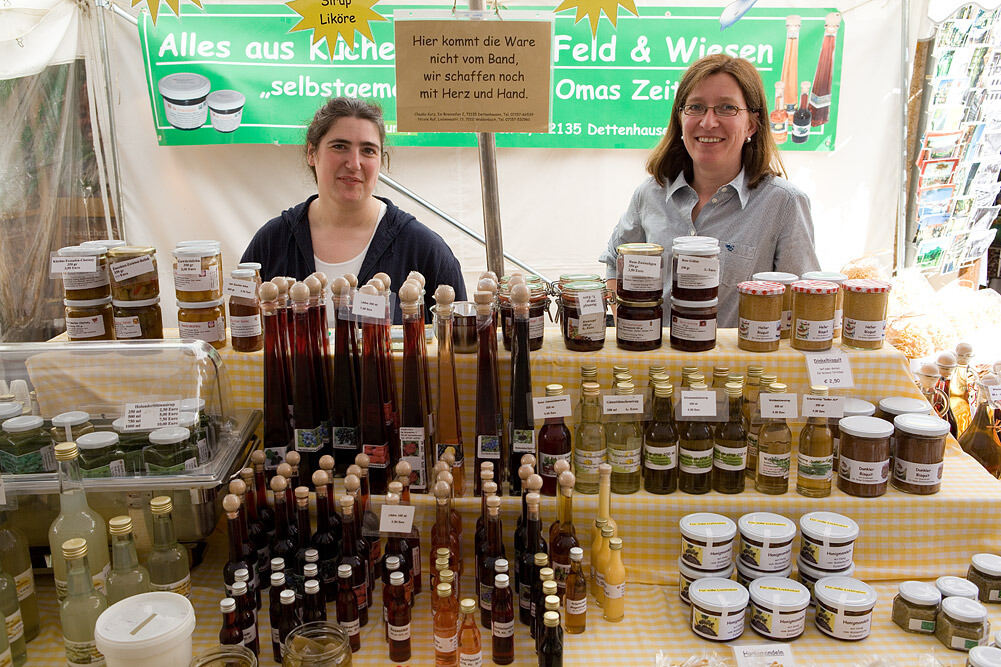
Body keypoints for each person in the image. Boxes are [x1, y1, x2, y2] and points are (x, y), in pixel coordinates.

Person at [600, 54, 820, 328]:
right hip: (656, 367)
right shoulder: (650, 194)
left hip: (737, 369)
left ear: (751, 124)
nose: (708, 122)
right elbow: (614, 261)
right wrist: (633, 325)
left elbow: (800, 300)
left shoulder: (783, 203)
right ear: (680, 119)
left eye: (727, 108)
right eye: (696, 107)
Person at [241, 97, 466, 323]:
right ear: (312, 152)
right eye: (340, 146)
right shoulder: (272, 242)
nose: (354, 163)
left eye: (368, 150)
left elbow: (462, 346)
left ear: (380, 161)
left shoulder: (424, 250)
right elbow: (240, 329)